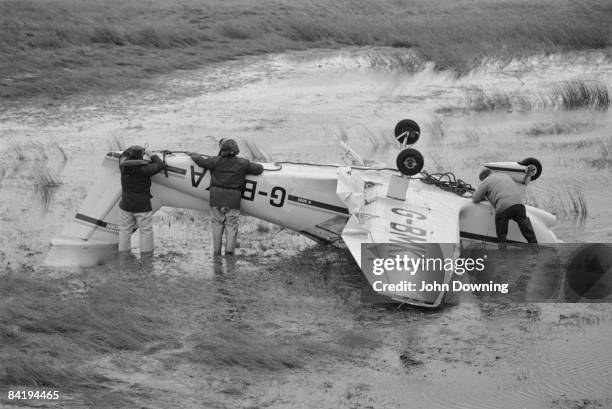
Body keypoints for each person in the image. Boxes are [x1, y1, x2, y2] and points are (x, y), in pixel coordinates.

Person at [188, 139, 264, 256]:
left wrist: (193, 154)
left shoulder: (215, 161)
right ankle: (229, 253)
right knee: (231, 225)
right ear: (236, 150)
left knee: (217, 225)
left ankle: (216, 252)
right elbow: (259, 169)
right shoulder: (242, 163)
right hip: (232, 201)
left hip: (216, 200)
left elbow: (201, 162)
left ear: (222, 150)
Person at [472, 168, 538, 249]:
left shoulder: (487, 180)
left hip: (503, 208)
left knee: (502, 238)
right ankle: (536, 249)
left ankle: (503, 258)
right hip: (519, 205)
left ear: (484, 178)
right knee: (527, 231)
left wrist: (485, 196)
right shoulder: (504, 175)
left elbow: (475, 198)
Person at [118, 145, 166, 255]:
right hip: (142, 206)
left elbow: (122, 155)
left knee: (124, 231)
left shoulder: (123, 167)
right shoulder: (146, 170)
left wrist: (133, 149)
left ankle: (123, 256)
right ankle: (146, 256)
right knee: (146, 232)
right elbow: (160, 165)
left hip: (126, 205)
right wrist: (152, 154)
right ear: (141, 157)